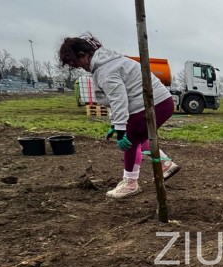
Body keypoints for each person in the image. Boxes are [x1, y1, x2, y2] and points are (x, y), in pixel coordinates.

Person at [58, 34, 180, 199]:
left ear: (83, 54)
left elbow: (119, 99)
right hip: (161, 102)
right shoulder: (112, 61)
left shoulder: (105, 70)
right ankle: (165, 163)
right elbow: (120, 97)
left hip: (151, 104)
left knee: (129, 140)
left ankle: (130, 184)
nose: (79, 67)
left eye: (76, 62)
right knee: (138, 134)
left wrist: (120, 129)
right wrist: (116, 124)